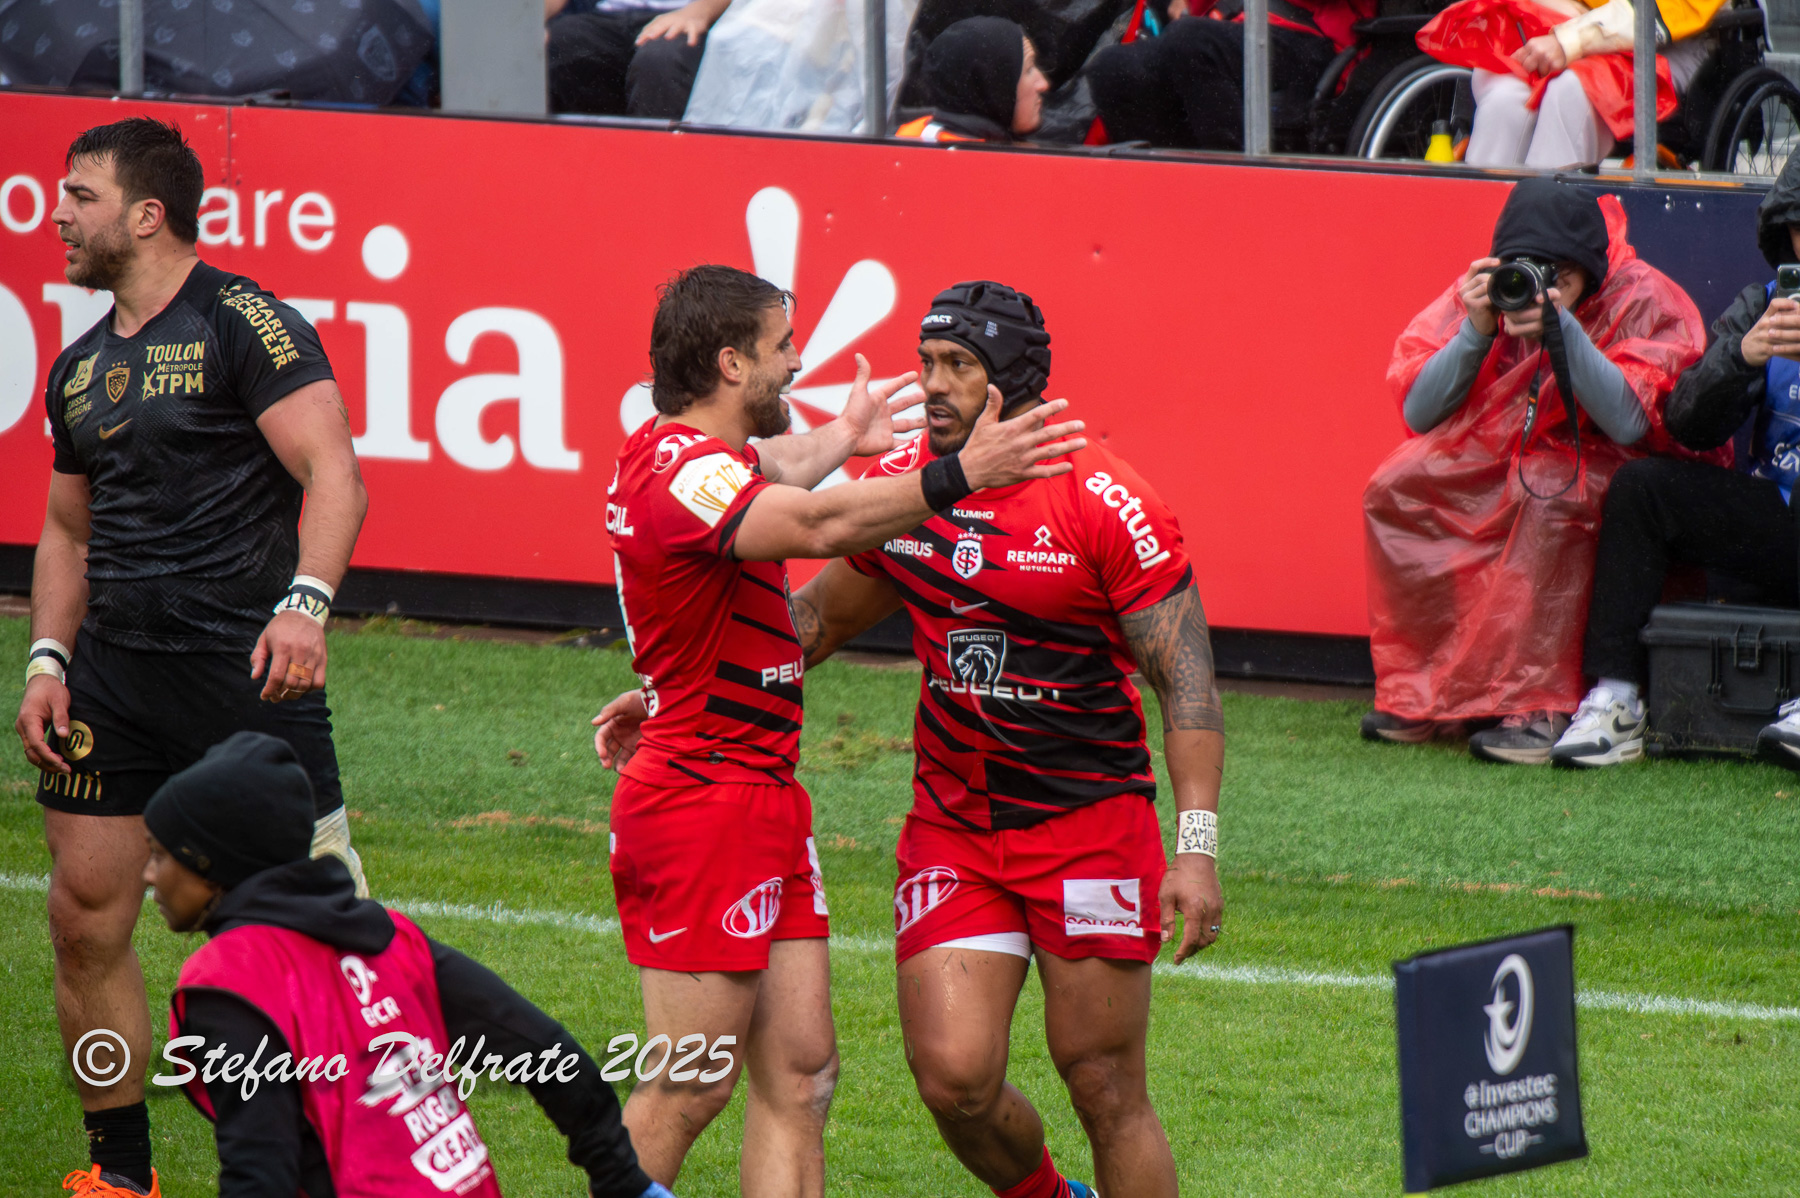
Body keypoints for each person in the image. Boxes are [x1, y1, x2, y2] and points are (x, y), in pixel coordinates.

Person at [602, 280, 1222, 1198]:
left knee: (1094, 1084)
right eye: (926, 363)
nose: (931, 384)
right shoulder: (906, 497)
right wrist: (686, 693)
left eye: (956, 366)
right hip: (949, 832)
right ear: (732, 364)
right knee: (953, 1082)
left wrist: (1196, 847)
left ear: (1009, 381)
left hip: (1088, 825)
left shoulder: (1106, 499)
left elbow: (1191, 681)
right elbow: (818, 607)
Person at [15, 118, 372, 1195]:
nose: (57, 215)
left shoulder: (245, 320)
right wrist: (45, 660)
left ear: (146, 213)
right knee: (83, 917)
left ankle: (358, 1156)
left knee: (322, 940)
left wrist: (305, 604)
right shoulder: (78, 370)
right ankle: (119, 1173)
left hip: (247, 674)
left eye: (79, 195)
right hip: (113, 678)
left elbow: (336, 474)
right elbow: (67, 534)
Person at [117, 731, 669, 1198]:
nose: (148, 875)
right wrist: (626, 1183)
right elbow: (549, 1051)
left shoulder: (230, 982)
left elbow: (261, 1173)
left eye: (161, 854)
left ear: (211, 864)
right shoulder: (392, 937)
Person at [1362, 178, 1721, 764]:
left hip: (1609, 461)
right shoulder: (1487, 289)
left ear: (1587, 270)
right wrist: (1476, 330)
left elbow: (1632, 421)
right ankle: (1424, 693)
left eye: (1561, 274)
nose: (1541, 286)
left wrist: (1565, 332)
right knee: (1396, 487)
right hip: (1510, 449)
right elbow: (1420, 409)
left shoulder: (1643, 297)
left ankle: (1543, 702)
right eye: (1530, 270)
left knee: (1550, 496)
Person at [1551, 150, 1800, 767]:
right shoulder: (1764, 305)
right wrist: (1741, 357)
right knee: (1643, 488)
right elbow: (1688, 424)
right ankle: (1616, 697)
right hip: (1779, 521)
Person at [1421, 0, 1726, 169]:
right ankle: (1476, 249)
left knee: (1571, 93)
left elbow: (1672, 11)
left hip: (1666, 40)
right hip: (1560, 20)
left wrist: (1570, 39)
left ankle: (1545, 251)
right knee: (1505, 99)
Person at [1086, 0, 1376, 151]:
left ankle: (1233, 194)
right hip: (1236, 30)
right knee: (1112, 67)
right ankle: (1163, 199)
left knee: (1191, 41)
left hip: (1315, 41)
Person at [546, 0, 726, 118]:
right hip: (605, 15)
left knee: (660, 61)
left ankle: (656, 165)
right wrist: (529, 22)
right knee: (559, 45)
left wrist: (697, 13)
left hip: (690, 15)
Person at [896, 17, 1050, 142]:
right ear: (994, 86)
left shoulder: (906, 140)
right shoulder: (981, 167)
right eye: (1029, 70)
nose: (1043, 84)